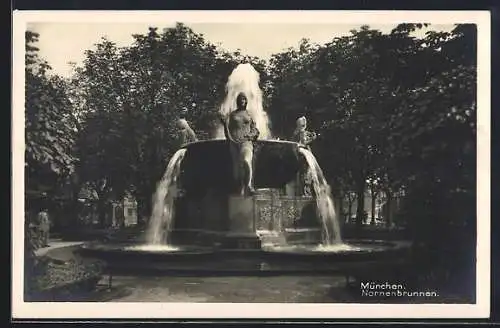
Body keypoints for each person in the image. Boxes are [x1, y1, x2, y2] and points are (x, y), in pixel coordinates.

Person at [220, 92, 260, 196]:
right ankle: (240, 187)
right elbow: (227, 129)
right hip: (234, 143)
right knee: (236, 168)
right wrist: (229, 138)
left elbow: (255, 130)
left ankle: (249, 185)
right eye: (241, 99)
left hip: (246, 142)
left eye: (244, 99)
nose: (243, 101)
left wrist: (250, 136)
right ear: (238, 101)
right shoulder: (232, 115)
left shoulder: (249, 114)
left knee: (246, 161)